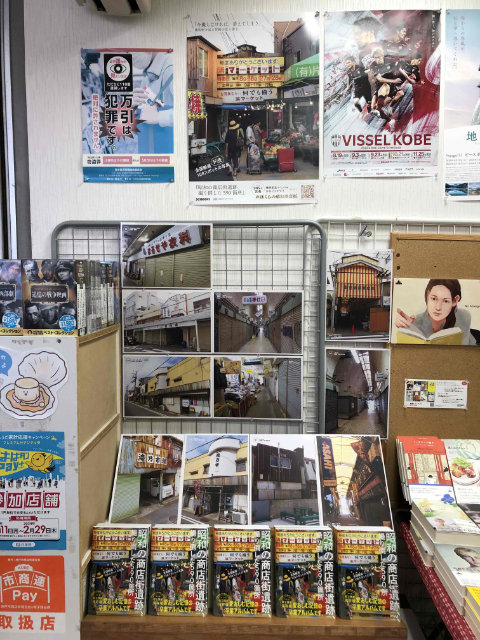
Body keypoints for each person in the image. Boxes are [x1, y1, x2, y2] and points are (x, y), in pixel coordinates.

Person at [394, 279, 476, 345]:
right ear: (427, 295)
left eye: (445, 301)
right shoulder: (415, 321)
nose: (438, 307)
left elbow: (463, 349)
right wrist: (410, 328)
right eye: (433, 299)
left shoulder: (463, 316)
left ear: (455, 301)